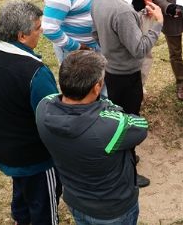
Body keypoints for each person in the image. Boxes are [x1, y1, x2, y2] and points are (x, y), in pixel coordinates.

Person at [0, 0, 62, 225]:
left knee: (21, 189)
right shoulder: (35, 72)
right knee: (44, 209)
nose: (41, 31)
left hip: (2, 149)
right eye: (38, 28)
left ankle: (21, 218)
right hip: (37, 159)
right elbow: (53, 119)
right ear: (22, 36)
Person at [36, 51, 148, 225]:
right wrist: (105, 104)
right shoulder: (110, 126)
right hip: (113, 209)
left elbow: (52, 98)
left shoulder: (43, 109)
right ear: (97, 88)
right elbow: (141, 126)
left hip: (75, 200)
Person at [91, 0, 163, 188]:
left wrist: (137, 19)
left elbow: (96, 33)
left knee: (118, 117)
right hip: (127, 76)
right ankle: (127, 169)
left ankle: (125, 157)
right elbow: (139, 49)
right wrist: (157, 24)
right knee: (128, 123)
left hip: (111, 70)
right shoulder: (122, 10)